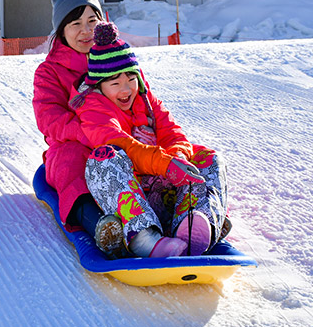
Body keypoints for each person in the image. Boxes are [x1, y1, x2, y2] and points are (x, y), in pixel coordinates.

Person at [73, 21, 228, 258]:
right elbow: (119, 142)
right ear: (99, 85)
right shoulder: (93, 108)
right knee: (103, 158)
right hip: (131, 197)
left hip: (166, 190)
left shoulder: (146, 100)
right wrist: (164, 163)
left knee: (207, 157)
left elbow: (173, 133)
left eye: (131, 80)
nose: (126, 90)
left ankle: (193, 223)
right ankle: (144, 237)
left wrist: (177, 160)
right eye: (115, 83)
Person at [33, 0, 115, 246]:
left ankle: (186, 216)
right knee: (70, 166)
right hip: (74, 144)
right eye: (76, 23)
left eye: (92, 21)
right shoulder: (49, 72)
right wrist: (88, 134)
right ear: (62, 31)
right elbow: (49, 118)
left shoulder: (116, 59)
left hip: (118, 137)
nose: (86, 31)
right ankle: (102, 227)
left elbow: (138, 97)